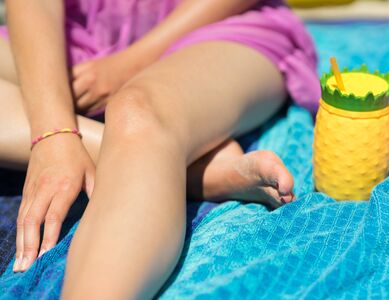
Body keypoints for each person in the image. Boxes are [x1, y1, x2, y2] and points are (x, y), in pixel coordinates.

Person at [0, 0, 320, 298]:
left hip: (215, 22)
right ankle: (196, 173)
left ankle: (156, 150)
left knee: (139, 113)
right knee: (124, 126)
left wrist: (127, 65)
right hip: (78, 35)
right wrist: (54, 134)